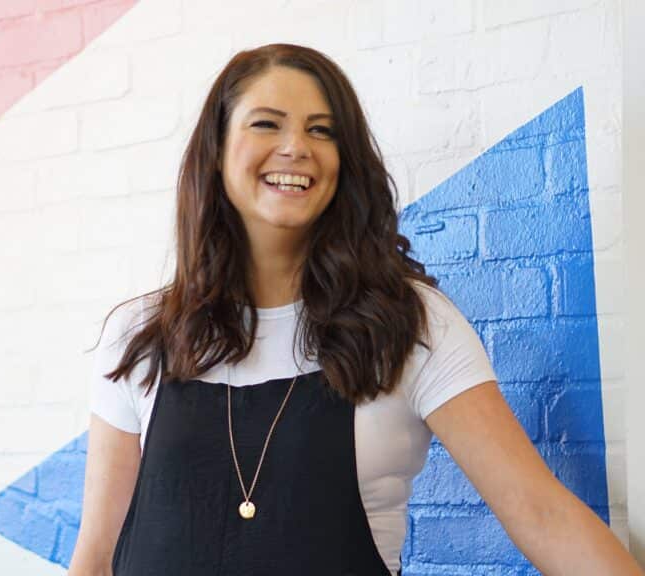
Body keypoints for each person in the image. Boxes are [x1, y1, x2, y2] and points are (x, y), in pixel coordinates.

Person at [67, 44, 643, 575]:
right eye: (267, 123)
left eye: (323, 130)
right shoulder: (140, 337)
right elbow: (96, 555)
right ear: (216, 152)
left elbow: (542, 515)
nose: (295, 146)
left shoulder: (412, 325)